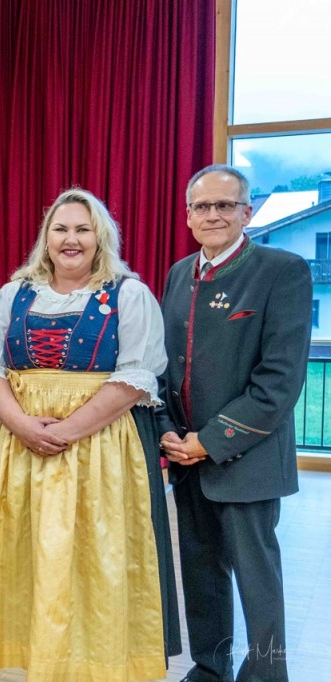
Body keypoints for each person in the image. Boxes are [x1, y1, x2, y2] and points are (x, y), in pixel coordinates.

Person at [0, 188, 180, 681]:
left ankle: (96, 664)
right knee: (29, 556)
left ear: (100, 237)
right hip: (21, 449)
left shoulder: (128, 294)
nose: (71, 239)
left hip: (98, 449)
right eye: (60, 229)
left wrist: (64, 431)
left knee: (95, 557)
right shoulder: (13, 294)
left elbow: (134, 379)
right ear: (46, 238)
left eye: (83, 229)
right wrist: (22, 425)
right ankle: (41, 661)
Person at [158, 165, 311, 682]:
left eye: (225, 205)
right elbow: (166, 367)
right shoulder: (179, 273)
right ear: (188, 216)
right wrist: (168, 432)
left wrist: (209, 441)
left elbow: (279, 383)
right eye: (202, 206)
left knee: (257, 583)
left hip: (247, 459)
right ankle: (210, 667)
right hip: (187, 461)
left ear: (247, 212)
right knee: (201, 575)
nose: (213, 215)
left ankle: (266, 675)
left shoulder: (282, 270)